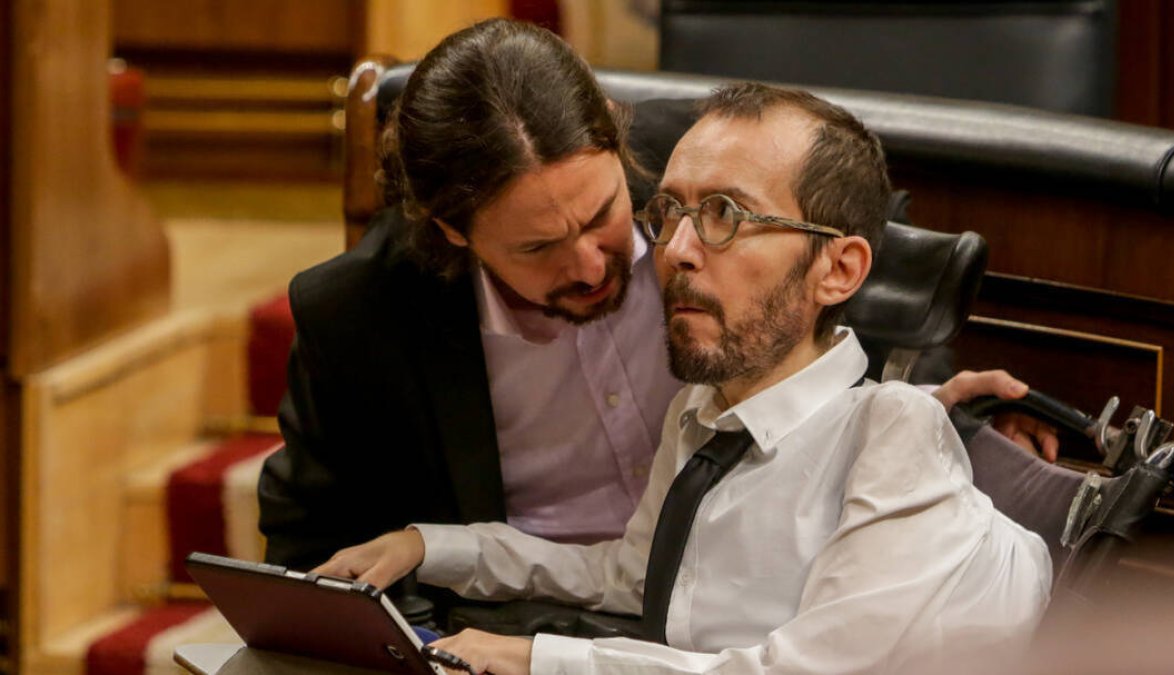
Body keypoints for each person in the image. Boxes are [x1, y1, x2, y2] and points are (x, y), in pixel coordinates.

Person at [257, 17, 1057, 572]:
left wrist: (926, 403)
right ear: (452, 229)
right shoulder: (359, 314)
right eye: (537, 246)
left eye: (603, 213)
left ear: (614, 136)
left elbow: (857, 257)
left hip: (760, 584)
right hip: (519, 605)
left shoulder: (712, 168)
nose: (590, 264)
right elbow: (306, 541)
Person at [314, 82, 1051, 674]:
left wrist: (535, 658)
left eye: (726, 213)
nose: (676, 251)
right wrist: (427, 545)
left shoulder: (895, 430)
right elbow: (636, 574)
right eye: (669, 211)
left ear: (840, 269)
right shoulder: (701, 413)